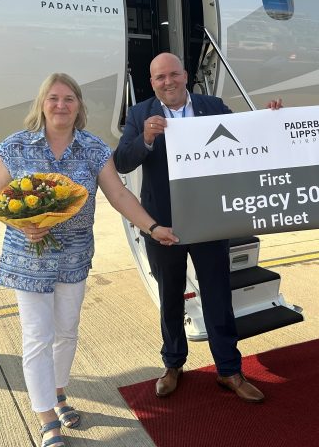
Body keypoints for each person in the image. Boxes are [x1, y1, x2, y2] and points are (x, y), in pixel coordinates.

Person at [0, 73, 178, 447]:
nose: (61, 105)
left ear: (79, 107)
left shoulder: (92, 149)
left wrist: (153, 227)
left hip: (73, 259)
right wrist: (26, 224)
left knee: (67, 332)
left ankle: (58, 393)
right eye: (54, 98)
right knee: (37, 337)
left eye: (69, 99)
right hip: (28, 260)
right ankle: (47, 420)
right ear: (42, 104)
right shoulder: (16, 147)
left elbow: (120, 196)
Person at [114, 52, 281, 403]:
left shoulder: (212, 106)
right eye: (160, 78)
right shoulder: (140, 113)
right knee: (171, 296)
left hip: (209, 219)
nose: (168, 82)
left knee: (218, 294)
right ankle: (173, 364)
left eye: (173, 74)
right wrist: (144, 138)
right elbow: (122, 159)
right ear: (152, 82)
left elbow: (248, 139)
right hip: (162, 223)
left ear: (185, 75)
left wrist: (271, 120)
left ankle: (228, 370)